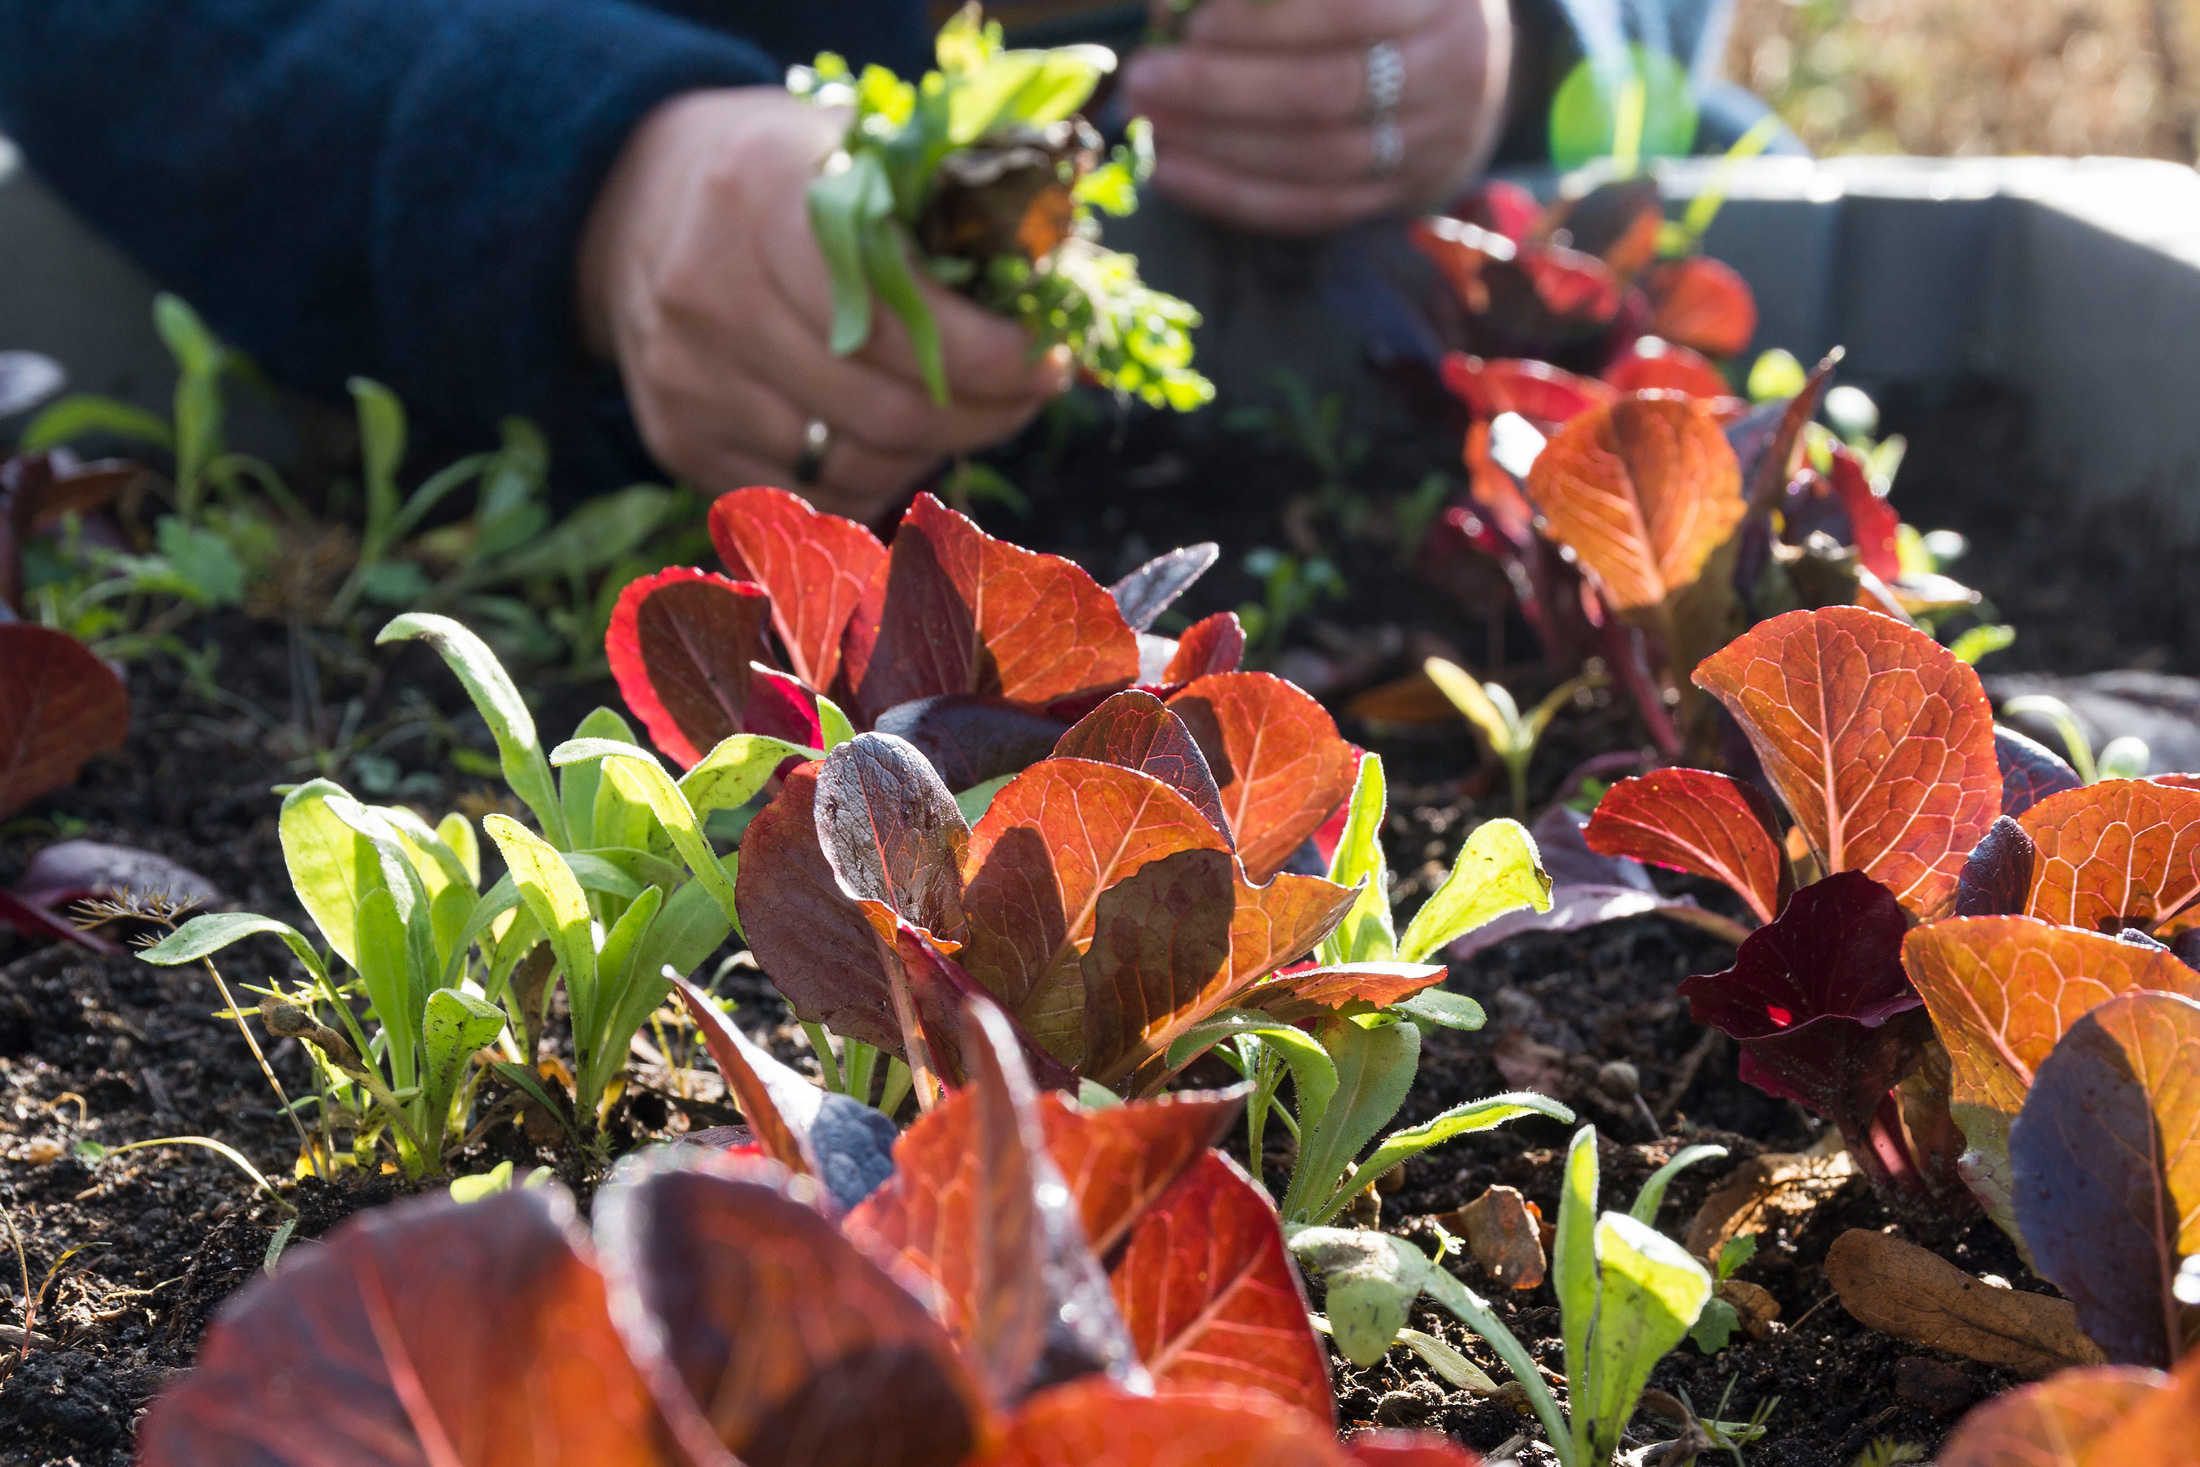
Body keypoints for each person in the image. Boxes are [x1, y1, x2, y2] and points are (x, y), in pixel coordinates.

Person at [0, 0, 1763, 522]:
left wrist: (1510, 41)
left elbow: (1657, 36)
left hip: (1353, 296)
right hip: (461, 336)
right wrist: (588, 166)